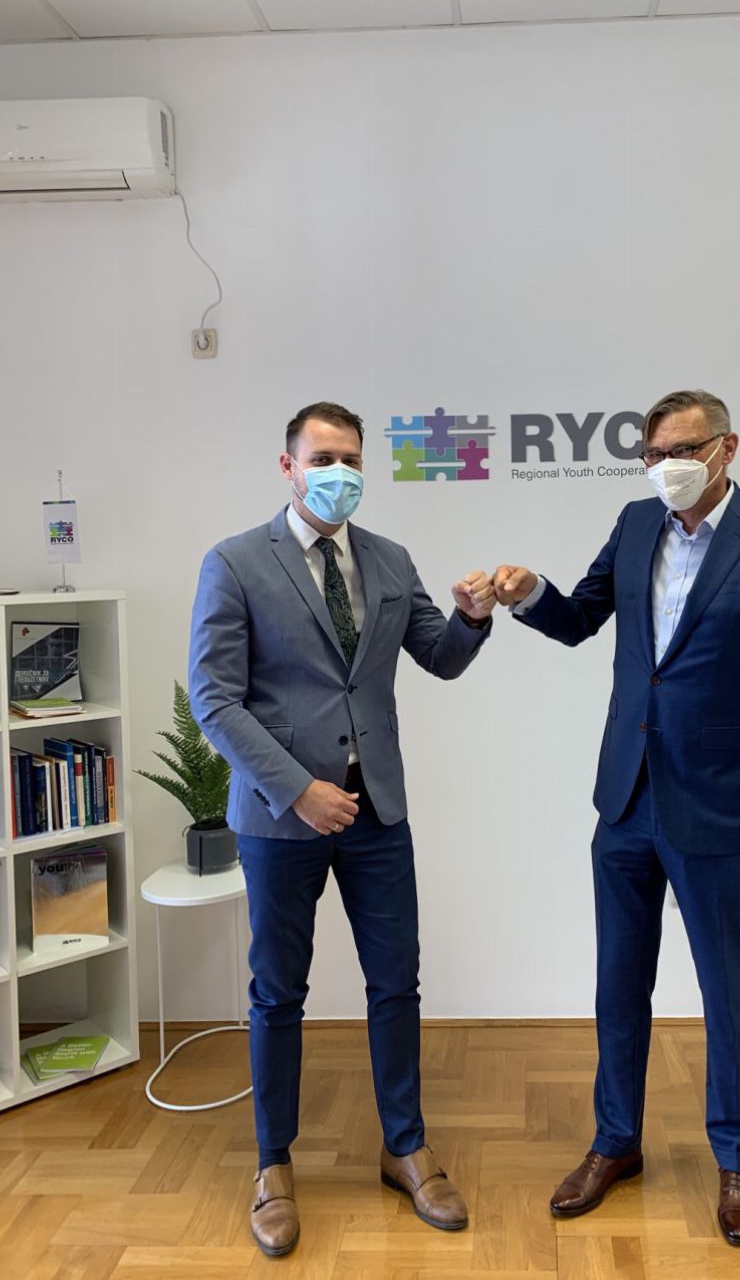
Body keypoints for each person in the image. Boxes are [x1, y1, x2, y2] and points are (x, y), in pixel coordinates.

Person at [493, 389, 740, 1248]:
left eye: (683, 449)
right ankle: (615, 1140)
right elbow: (580, 619)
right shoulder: (635, 521)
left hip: (719, 802)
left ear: (726, 447)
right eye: (652, 454)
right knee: (618, 983)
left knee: (726, 989)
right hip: (625, 798)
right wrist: (531, 593)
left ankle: (736, 1158)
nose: (666, 467)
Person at [189, 401, 495, 1257]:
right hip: (279, 818)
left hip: (378, 811)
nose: (339, 472)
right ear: (287, 466)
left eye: (352, 458)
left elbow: (438, 656)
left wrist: (471, 617)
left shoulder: (390, 559)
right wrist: (298, 789)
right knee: (277, 991)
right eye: (322, 457)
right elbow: (213, 698)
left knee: (396, 983)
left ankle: (406, 1148)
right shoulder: (235, 561)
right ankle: (272, 1165)